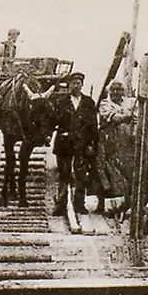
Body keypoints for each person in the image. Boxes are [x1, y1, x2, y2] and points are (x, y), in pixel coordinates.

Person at [49, 71, 99, 216]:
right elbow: (53, 121)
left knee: (81, 174)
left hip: (82, 144)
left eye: (78, 83)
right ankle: (61, 205)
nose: (75, 86)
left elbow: (93, 126)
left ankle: (79, 204)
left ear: (82, 85)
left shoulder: (89, 103)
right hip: (64, 143)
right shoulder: (61, 102)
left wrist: (92, 144)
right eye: (73, 83)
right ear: (69, 85)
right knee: (64, 174)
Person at [96, 80, 138, 218]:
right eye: (113, 90)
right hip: (109, 144)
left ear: (123, 92)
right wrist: (127, 116)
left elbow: (138, 118)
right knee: (107, 174)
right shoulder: (105, 104)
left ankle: (127, 204)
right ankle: (105, 206)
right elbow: (113, 118)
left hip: (127, 143)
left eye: (119, 90)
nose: (116, 92)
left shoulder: (131, 103)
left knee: (128, 174)